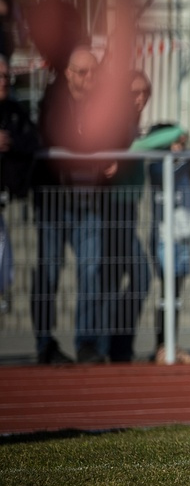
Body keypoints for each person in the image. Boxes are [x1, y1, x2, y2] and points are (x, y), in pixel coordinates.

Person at [31, 47, 113, 364]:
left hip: (89, 200)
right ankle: (44, 344)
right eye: (82, 72)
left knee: (91, 269)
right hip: (55, 201)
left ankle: (87, 343)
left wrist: (112, 154)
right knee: (49, 271)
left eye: (93, 71)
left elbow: (118, 130)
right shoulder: (54, 99)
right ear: (68, 74)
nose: (89, 77)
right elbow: (55, 134)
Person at [145, 122, 190, 364]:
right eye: (175, 143)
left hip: (183, 238)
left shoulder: (184, 166)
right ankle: (162, 345)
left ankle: (170, 343)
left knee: (176, 294)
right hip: (165, 238)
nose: (180, 148)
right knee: (168, 292)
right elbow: (171, 174)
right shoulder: (157, 166)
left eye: (182, 144)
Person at [101, 70, 154, 361]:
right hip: (112, 209)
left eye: (145, 92)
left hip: (128, 209)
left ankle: (117, 345)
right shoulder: (118, 122)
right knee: (135, 275)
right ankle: (112, 346)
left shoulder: (134, 124)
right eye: (135, 92)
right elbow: (134, 147)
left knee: (128, 277)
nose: (140, 98)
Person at [0, 56, 37, 314]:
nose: (5, 82)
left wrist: (12, 142)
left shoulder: (15, 112)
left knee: (5, 271)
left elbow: (33, 141)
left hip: (6, 202)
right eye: (0, 76)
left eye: (7, 76)